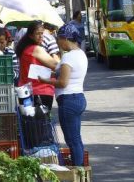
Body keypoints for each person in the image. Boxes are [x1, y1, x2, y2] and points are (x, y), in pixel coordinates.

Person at [40, 23, 88, 166]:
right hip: (78, 98)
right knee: (76, 138)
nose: (58, 42)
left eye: (59, 39)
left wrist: (45, 80)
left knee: (72, 140)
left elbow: (62, 83)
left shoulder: (68, 57)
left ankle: (77, 170)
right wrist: (53, 74)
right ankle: (79, 169)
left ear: (65, 39)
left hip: (69, 100)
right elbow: (66, 75)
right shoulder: (81, 54)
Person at [16, 21, 59, 111]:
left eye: (42, 33)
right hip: (41, 91)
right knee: (41, 123)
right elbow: (56, 65)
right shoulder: (36, 49)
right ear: (31, 35)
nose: (41, 36)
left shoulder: (25, 48)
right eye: (37, 34)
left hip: (26, 91)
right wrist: (56, 57)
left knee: (31, 123)